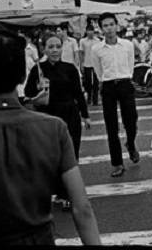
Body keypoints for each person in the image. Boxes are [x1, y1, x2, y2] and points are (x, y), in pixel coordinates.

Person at [0, 22, 100, 245]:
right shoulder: (53, 129)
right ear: (19, 76)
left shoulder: (68, 71)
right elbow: (82, 208)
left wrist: (83, 113)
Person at [24, 33, 91, 210]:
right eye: (51, 47)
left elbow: (78, 93)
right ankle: (57, 191)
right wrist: (38, 88)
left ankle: (67, 193)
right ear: (43, 49)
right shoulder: (38, 69)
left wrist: (85, 115)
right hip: (48, 115)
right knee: (53, 155)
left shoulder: (70, 68)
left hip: (70, 113)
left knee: (71, 153)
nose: (55, 50)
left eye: (58, 46)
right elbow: (28, 93)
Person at [91, 12, 140, 177]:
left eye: (111, 24)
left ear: (116, 25)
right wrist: (105, 81)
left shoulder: (127, 45)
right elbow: (98, 70)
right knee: (111, 127)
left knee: (131, 120)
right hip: (108, 87)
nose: (109, 28)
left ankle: (131, 144)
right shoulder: (96, 49)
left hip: (125, 84)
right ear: (101, 29)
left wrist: (127, 78)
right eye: (105, 25)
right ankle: (117, 163)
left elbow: (131, 65)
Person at [80, 25, 101, 106]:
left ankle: (95, 100)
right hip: (87, 63)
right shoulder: (83, 41)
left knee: (96, 82)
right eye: (89, 30)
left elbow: (99, 53)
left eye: (92, 30)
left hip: (96, 63)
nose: (90, 32)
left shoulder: (98, 41)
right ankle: (89, 97)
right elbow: (81, 53)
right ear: (86, 31)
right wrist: (81, 64)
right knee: (88, 81)